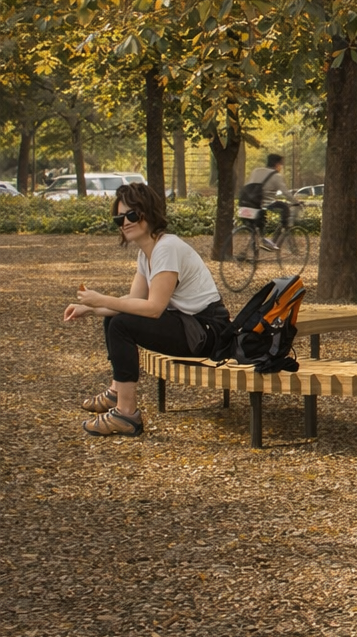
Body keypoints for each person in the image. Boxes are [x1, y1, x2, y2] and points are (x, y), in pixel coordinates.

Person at [63, 183, 229, 436]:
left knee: (121, 323)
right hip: (190, 325)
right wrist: (90, 307)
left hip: (207, 332)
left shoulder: (166, 248)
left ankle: (126, 414)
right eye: (119, 218)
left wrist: (103, 300)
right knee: (116, 317)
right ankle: (117, 392)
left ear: (148, 213)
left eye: (131, 215)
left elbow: (153, 308)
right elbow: (133, 299)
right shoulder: (147, 252)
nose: (125, 222)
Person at [244, 153, 296, 250]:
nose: (281, 167)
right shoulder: (276, 176)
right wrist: (296, 201)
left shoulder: (256, 171)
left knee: (255, 225)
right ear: (277, 164)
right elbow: (286, 192)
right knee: (284, 207)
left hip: (248, 201)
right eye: (281, 164)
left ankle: (254, 244)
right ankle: (277, 236)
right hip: (264, 203)